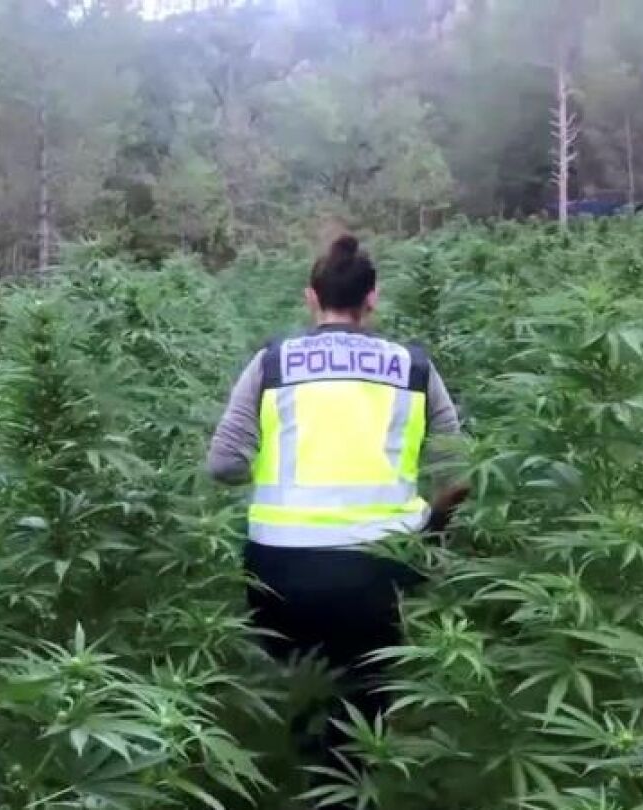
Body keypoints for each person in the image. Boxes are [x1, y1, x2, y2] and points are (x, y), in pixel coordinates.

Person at [206, 233, 469, 781]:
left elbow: (224, 463)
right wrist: (433, 527)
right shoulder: (414, 367)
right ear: (372, 299)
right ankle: (351, 780)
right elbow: (459, 471)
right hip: (381, 569)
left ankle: (293, 771)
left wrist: (278, 470)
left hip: (280, 570)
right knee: (364, 701)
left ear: (311, 297)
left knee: (299, 688)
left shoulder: (273, 362)